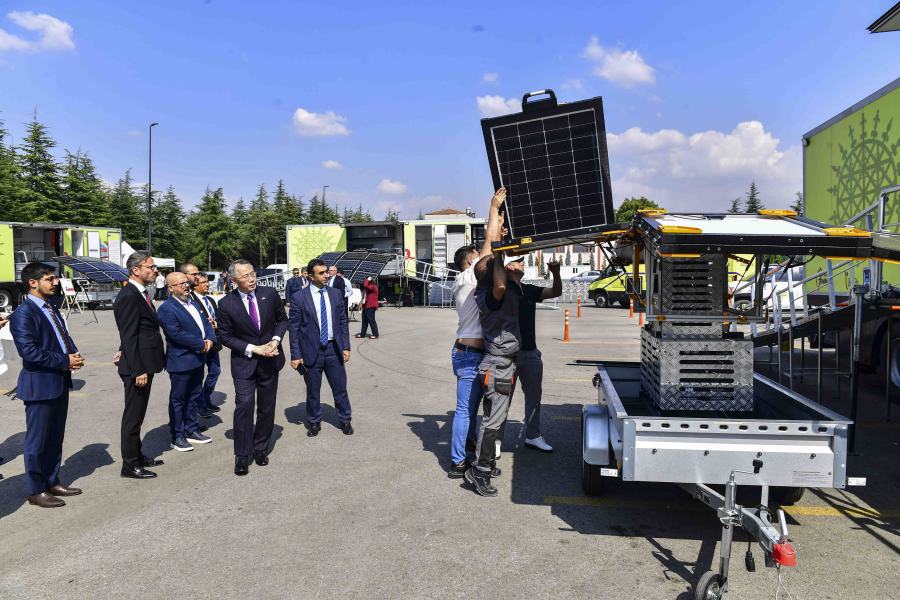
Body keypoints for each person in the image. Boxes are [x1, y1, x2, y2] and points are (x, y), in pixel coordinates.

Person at [9, 262, 84, 508]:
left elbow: (63, 335)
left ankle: (52, 481)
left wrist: (73, 354)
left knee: (54, 437)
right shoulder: (24, 313)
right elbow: (29, 352)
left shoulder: (50, 306)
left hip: (59, 380)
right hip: (40, 385)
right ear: (33, 282)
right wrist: (64, 360)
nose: (55, 283)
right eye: (50, 279)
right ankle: (36, 489)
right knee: (37, 441)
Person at [446, 188, 505, 478]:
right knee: (464, 410)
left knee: (476, 409)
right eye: (478, 258)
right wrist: (492, 209)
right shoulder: (467, 277)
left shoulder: (473, 281)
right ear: (471, 262)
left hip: (478, 353)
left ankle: (471, 449)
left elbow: (494, 249)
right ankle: (458, 460)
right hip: (468, 355)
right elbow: (489, 245)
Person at [217, 259, 288, 476]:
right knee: (244, 405)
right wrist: (253, 348)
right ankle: (242, 454)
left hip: (270, 360)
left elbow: (282, 321)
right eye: (245, 276)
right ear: (234, 279)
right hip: (244, 364)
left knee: (267, 407)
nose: (251, 279)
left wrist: (275, 341)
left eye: (252, 274)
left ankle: (260, 448)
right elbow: (225, 336)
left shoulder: (269, 294)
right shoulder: (226, 304)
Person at [464, 250, 524, 498]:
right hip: (497, 365)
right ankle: (480, 469)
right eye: (498, 264)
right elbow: (499, 284)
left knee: (494, 418)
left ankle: (484, 463)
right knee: (493, 422)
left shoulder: (506, 289)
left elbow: (514, 276)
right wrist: (499, 255)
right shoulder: (489, 295)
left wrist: (508, 251)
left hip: (504, 364)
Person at [114, 251, 167, 479]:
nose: (155, 270)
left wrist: (122, 350)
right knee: (133, 417)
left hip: (144, 362)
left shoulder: (142, 293)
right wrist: (137, 369)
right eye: (150, 267)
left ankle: (137, 453)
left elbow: (135, 329)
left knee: (140, 413)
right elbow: (129, 334)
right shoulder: (128, 296)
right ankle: (130, 464)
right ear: (136, 270)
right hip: (138, 367)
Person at [289, 259, 353, 437]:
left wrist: (346, 346)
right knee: (313, 391)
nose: (326, 275)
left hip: (334, 349)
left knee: (340, 388)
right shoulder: (299, 298)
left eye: (326, 272)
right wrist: (295, 355)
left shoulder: (335, 294)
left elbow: (342, 322)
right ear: (310, 276)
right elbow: (294, 329)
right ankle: (314, 421)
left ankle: (345, 419)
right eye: (321, 273)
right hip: (311, 351)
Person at [156, 272, 216, 453]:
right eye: (181, 283)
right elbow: (175, 333)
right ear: (171, 288)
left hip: (198, 359)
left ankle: (192, 429)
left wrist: (211, 340)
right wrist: (201, 344)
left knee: (193, 396)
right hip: (181, 361)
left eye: (186, 282)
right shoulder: (166, 308)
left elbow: (207, 324)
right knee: (179, 399)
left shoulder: (193, 303)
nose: (186, 285)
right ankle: (177, 435)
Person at [515, 258, 562, 453]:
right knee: (501, 399)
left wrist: (556, 273)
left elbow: (556, 292)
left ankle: (533, 436)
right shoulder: (499, 290)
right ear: (508, 266)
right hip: (506, 355)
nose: (523, 264)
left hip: (530, 352)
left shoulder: (528, 289)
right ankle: (497, 441)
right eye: (519, 262)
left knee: (534, 396)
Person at [193, 274, 221, 417]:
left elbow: (218, 317)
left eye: (207, 282)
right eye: (203, 282)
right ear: (195, 285)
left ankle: (205, 397)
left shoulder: (210, 300)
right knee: (198, 376)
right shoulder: (192, 300)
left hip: (213, 342)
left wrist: (217, 324)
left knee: (215, 371)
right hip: (200, 343)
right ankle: (199, 404)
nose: (207, 284)